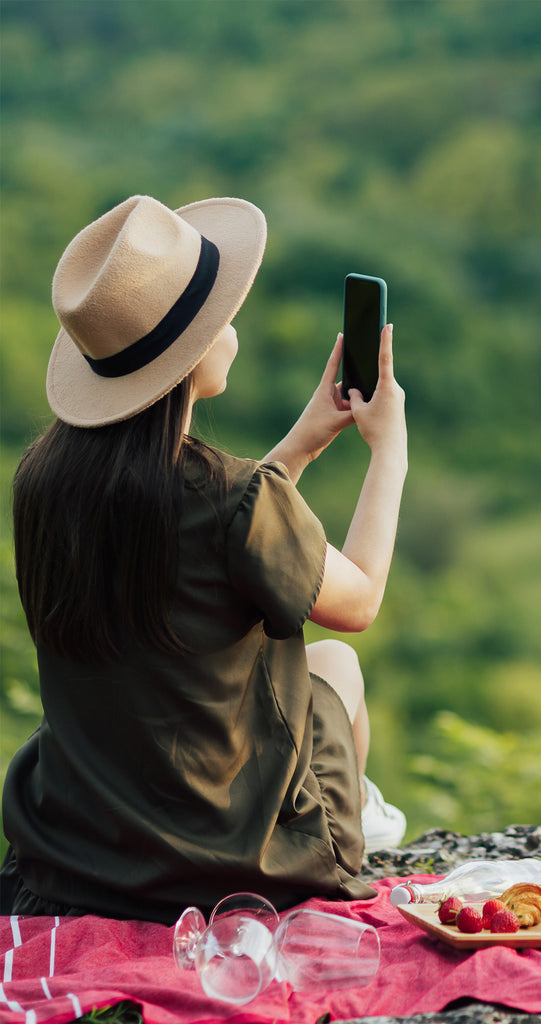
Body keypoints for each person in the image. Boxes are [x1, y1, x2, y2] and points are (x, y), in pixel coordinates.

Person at [1, 194, 408, 924]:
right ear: (192, 352)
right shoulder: (236, 496)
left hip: (83, 850)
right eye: (222, 314)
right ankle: (343, 836)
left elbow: (222, 526)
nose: (235, 324)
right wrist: (391, 453)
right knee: (335, 668)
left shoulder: (42, 481)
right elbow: (361, 601)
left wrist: (306, 442)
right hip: (235, 859)